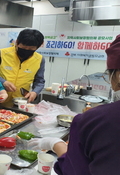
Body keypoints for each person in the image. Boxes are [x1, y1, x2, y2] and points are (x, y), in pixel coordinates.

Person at [27, 35, 120, 175]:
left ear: (118, 75)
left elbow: (72, 171)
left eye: (108, 74)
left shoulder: (96, 120)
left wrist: (56, 145)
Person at [0, 29, 45, 104]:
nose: (26, 50)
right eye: (24, 48)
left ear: (38, 46)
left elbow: (39, 81)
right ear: (17, 42)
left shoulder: (39, 59)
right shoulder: (1, 54)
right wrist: (3, 82)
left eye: (31, 49)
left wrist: (35, 92)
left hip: (20, 102)